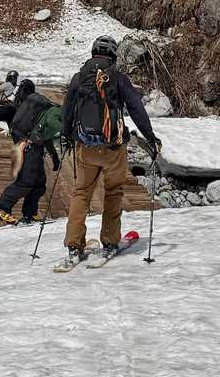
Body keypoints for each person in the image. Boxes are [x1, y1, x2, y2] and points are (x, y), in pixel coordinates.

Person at [60, 34, 162, 265]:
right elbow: (136, 109)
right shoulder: (118, 78)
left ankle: (74, 245)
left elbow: (67, 110)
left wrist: (65, 136)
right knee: (114, 192)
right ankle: (109, 241)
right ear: (114, 55)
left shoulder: (79, 76)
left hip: (85, 147)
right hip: (113, 148)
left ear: (93, 52)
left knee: (81, 193)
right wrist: (150, 137)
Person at [0, 90, 62, 225]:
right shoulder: (57, 114)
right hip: (29, 147)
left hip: (35, 147)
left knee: (39, 183)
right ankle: (2, 209)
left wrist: (54, 156)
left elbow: (46, 136)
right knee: (26, 181)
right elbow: (52, 125)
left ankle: (29, 214)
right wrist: (66, 130)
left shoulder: (54, 112)